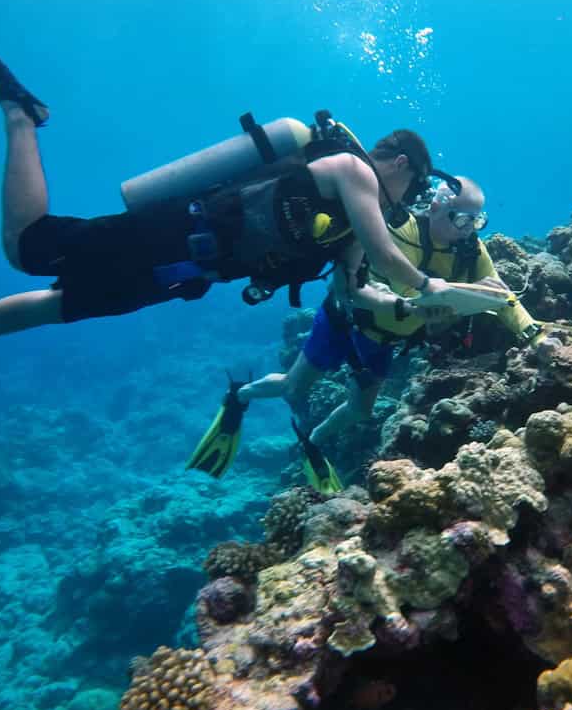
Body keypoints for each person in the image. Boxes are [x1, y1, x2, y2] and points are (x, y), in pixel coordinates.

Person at [0, 0, 455, 482]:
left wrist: (402, 304)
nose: (415, 204)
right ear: (400, 163)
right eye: (420, 188)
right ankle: (21, 115)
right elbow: (381, 252)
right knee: (28, 248)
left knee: (64, 304)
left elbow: (353, 289)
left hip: (185, 275)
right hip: (176, 233)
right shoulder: (352, 173)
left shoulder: (351, 222)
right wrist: (437, 288)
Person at [187, 173, 543, 493]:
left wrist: (533, 335)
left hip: (384, 339)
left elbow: (500, 294)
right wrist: (406, 306)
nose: (470, 230)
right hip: (345, 321)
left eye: (478, 220)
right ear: (437, 206)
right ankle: (240, 396)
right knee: (295, 385)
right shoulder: (395, 229)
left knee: (360, 409)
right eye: (463, 219)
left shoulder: (470, 250)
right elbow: (358, 284)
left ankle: (312, 441)